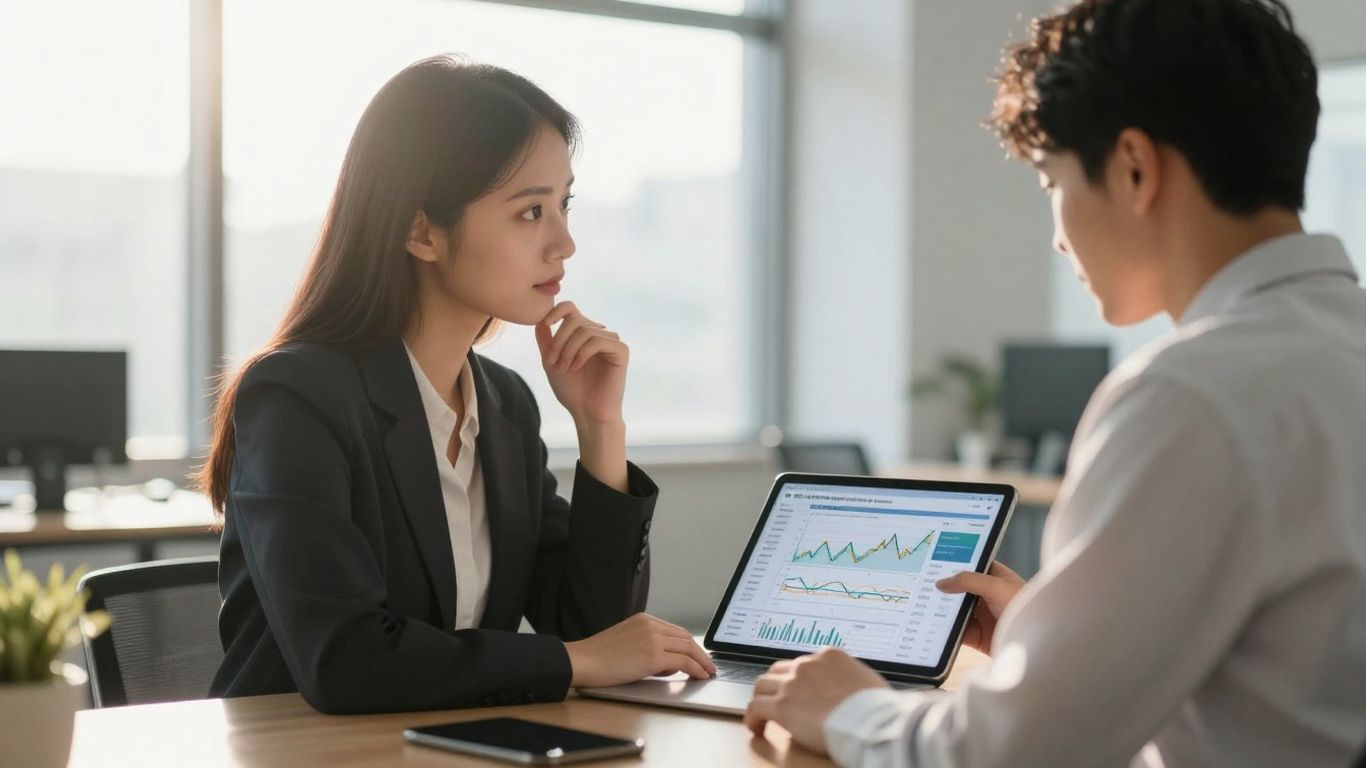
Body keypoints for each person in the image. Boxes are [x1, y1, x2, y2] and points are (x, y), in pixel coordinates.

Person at [744, 1, 1366, 764]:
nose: (1058, 236)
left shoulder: (1193, 397)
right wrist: (1057, 637)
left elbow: (1010, 755)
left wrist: (850, 710)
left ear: (1134, 168)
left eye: (1050, 183)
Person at [200, 56, 715, 714]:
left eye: (564, 205)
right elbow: (347, 659)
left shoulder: (505, 407)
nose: (564, 244)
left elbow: (593, 627)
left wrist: (600, 428)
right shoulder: (298, 397)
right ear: (422, 231)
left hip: (454, 745)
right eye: (531, 212)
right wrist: (577, 662)